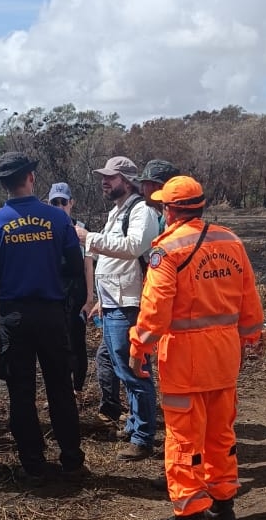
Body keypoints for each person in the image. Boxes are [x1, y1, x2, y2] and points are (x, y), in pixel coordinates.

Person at [128, 175, 266, 520]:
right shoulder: (230, 240)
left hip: (185, 359)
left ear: (170, 210)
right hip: (224, 355)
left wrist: (139, 345)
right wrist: (252, 334)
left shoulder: (168, 249)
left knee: (185, 438)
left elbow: (155, 310)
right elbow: (249, 295)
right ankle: (223, 505)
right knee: (221, 433)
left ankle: (189, 518)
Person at [0, 152, 87, 484]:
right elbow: (73, 266)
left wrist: (10, 267)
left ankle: (33, 463)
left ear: (3, 185)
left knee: (20, 392)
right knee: (60, 388)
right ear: (31, 178)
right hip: (52, 314)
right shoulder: (57, 218)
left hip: (16, 317)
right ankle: (71, 459)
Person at [75, 156, 160, 461]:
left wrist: (90, 238)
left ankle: (144, 437)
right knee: (124, 369)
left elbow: (133, 247)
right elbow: (114, 260)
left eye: (111, 177)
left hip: (129, 305)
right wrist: (100, 298)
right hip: (113, 303)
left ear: (127, 180)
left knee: (136, 371)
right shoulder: (117, 211)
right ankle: (137, 424)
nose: (104, 182)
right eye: (103, 177)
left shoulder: (141, 211)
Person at [47, 182, 95, 397]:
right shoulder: (44, 228)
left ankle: (77, 387)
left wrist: (90, 297)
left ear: (71, 203)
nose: (59, 206)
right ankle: (62, 386)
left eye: (63, 202)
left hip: (76, 292)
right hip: (54, 294)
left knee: (77, 340)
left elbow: (88, 265)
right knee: (57, 342)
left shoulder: (81, 229)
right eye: (54, 202)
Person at [136, 159, 180, 233]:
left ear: (158, 187)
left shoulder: (174, 221)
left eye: (145, 184)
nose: (141, 190)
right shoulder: (163, 217)